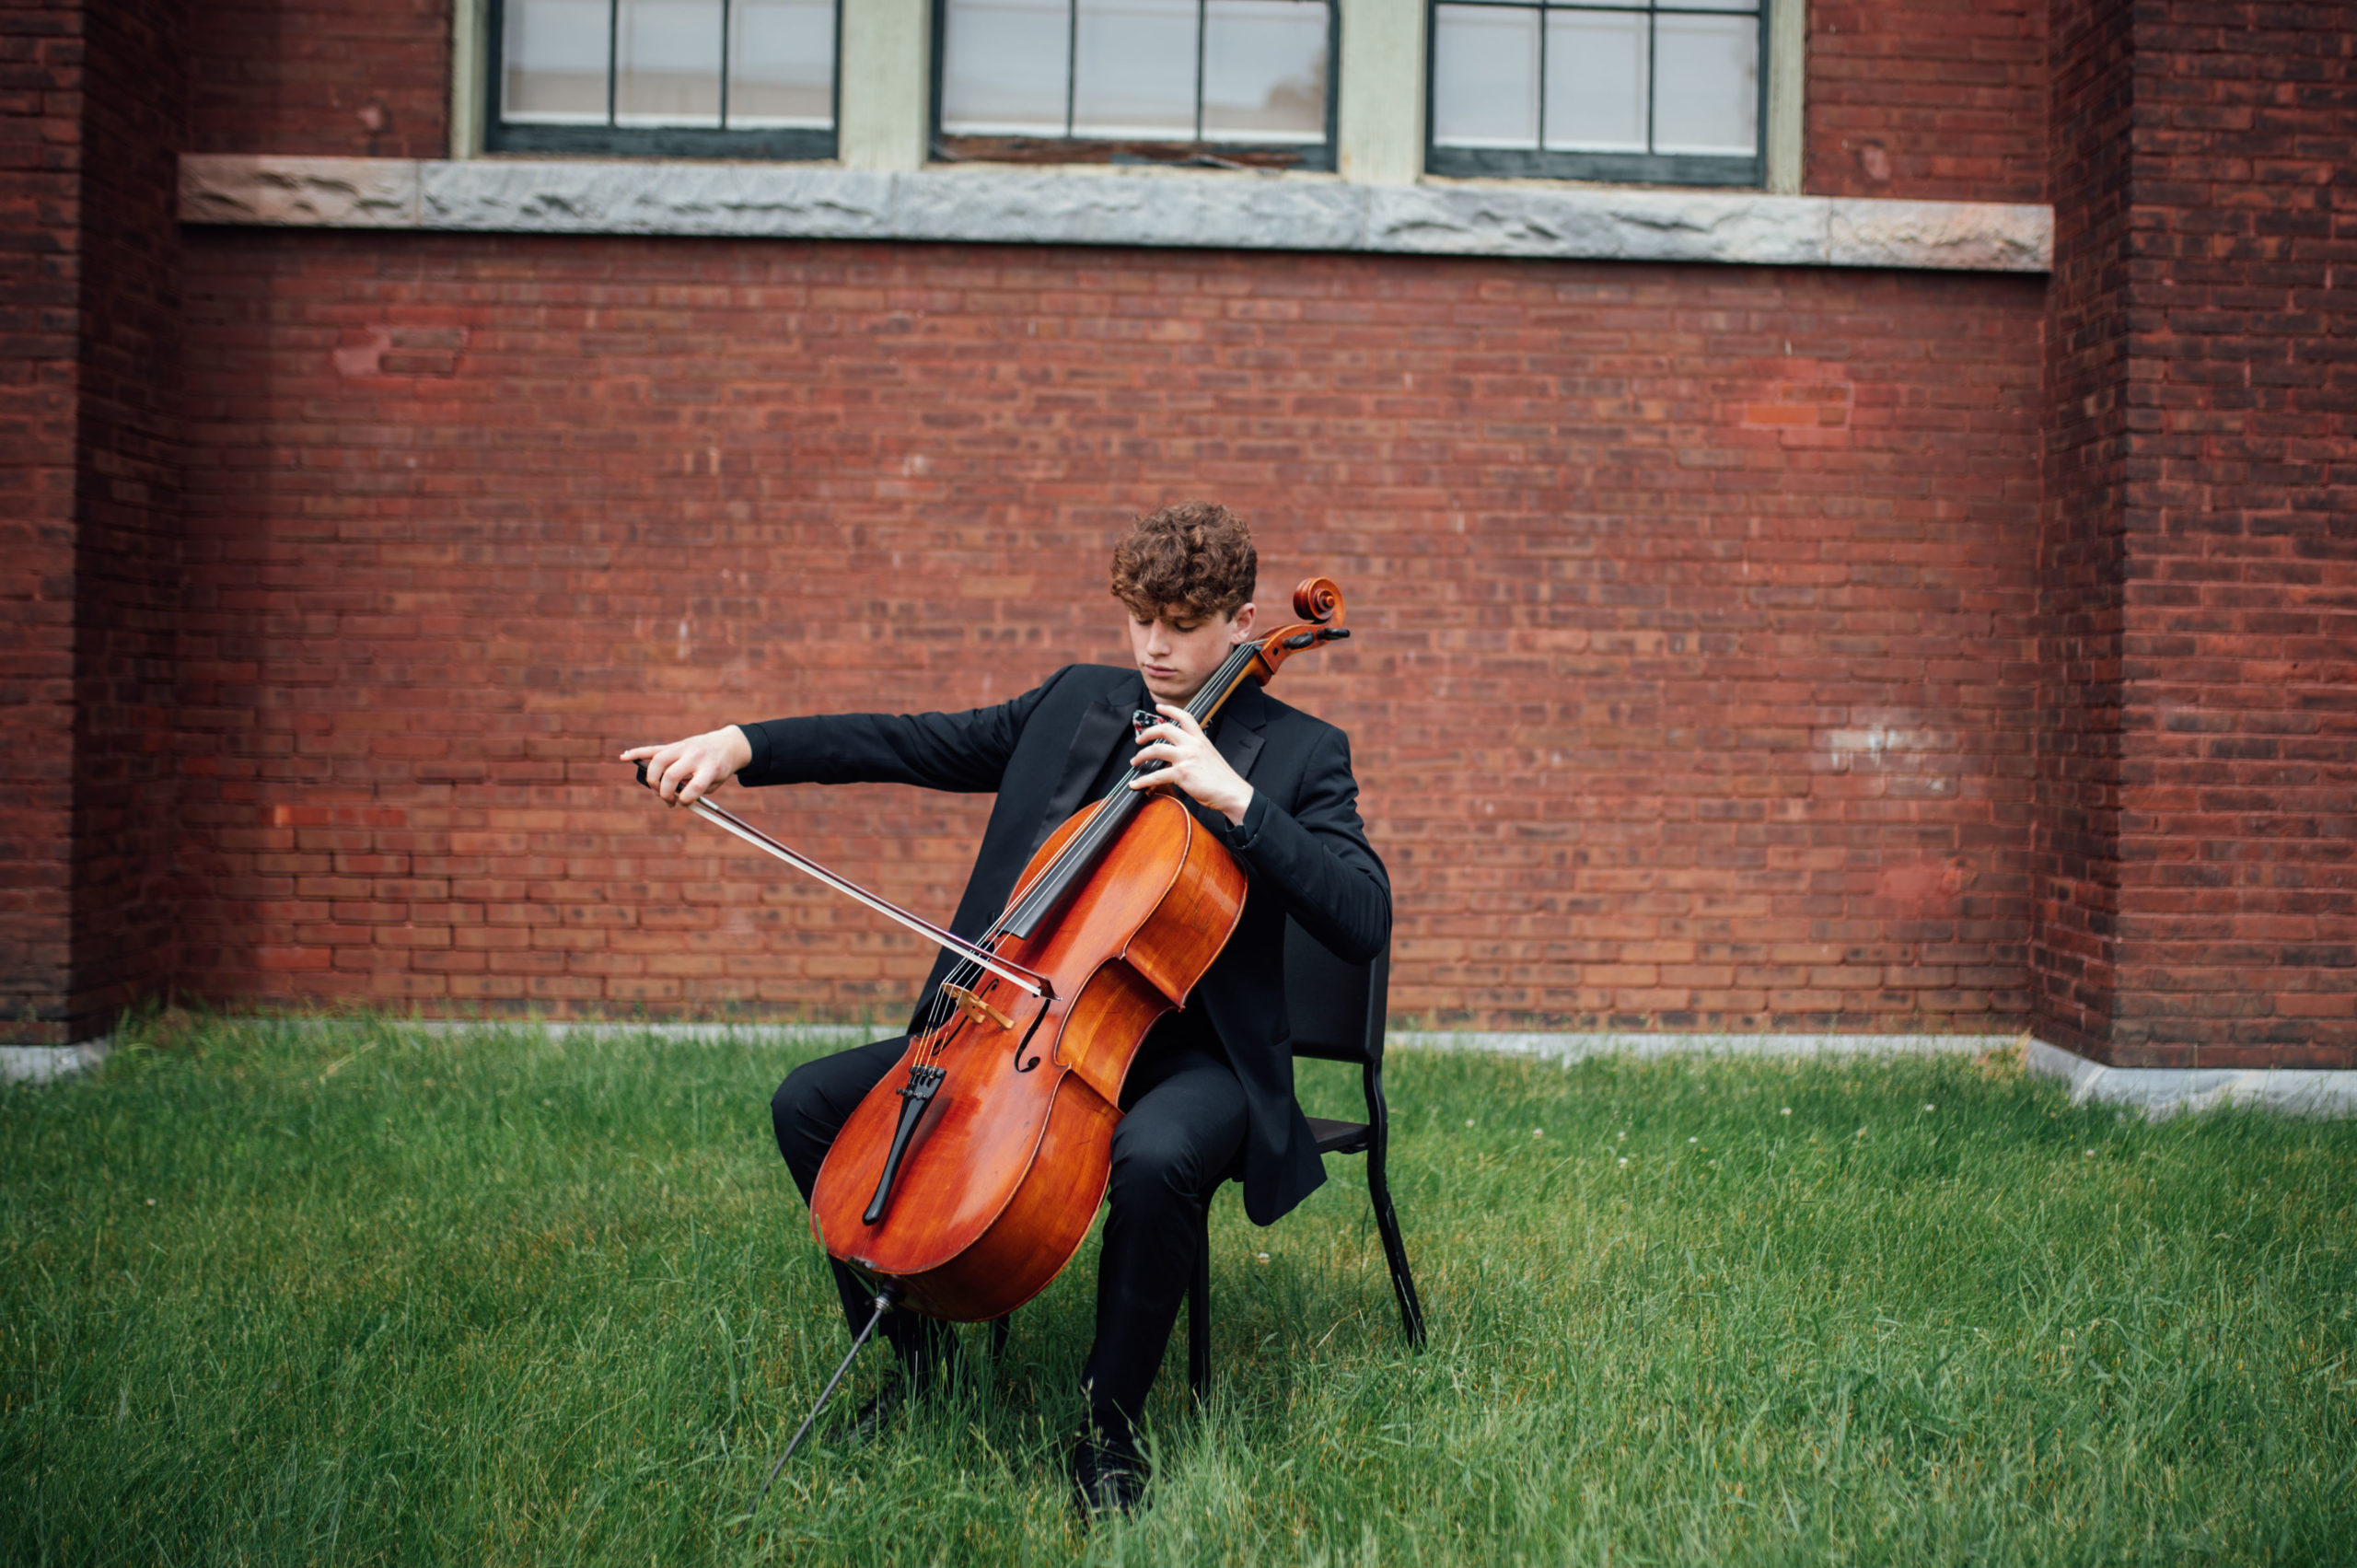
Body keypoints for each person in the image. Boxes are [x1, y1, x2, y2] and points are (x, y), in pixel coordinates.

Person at [621, 503, 1389, 1516]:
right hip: (1024, 1029)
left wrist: (1235, 800)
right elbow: (911, 742)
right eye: (1139, 619)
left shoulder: (1297, 751)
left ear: (1243, 621)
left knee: (1157, 1157)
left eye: (1182, 621)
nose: (1155, 645)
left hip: (1191, 1054)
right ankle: (922, 1360)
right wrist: (741, 742)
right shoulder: (1077, 702)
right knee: (810, 1103)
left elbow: (1361, 913)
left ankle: (1109, 1429)